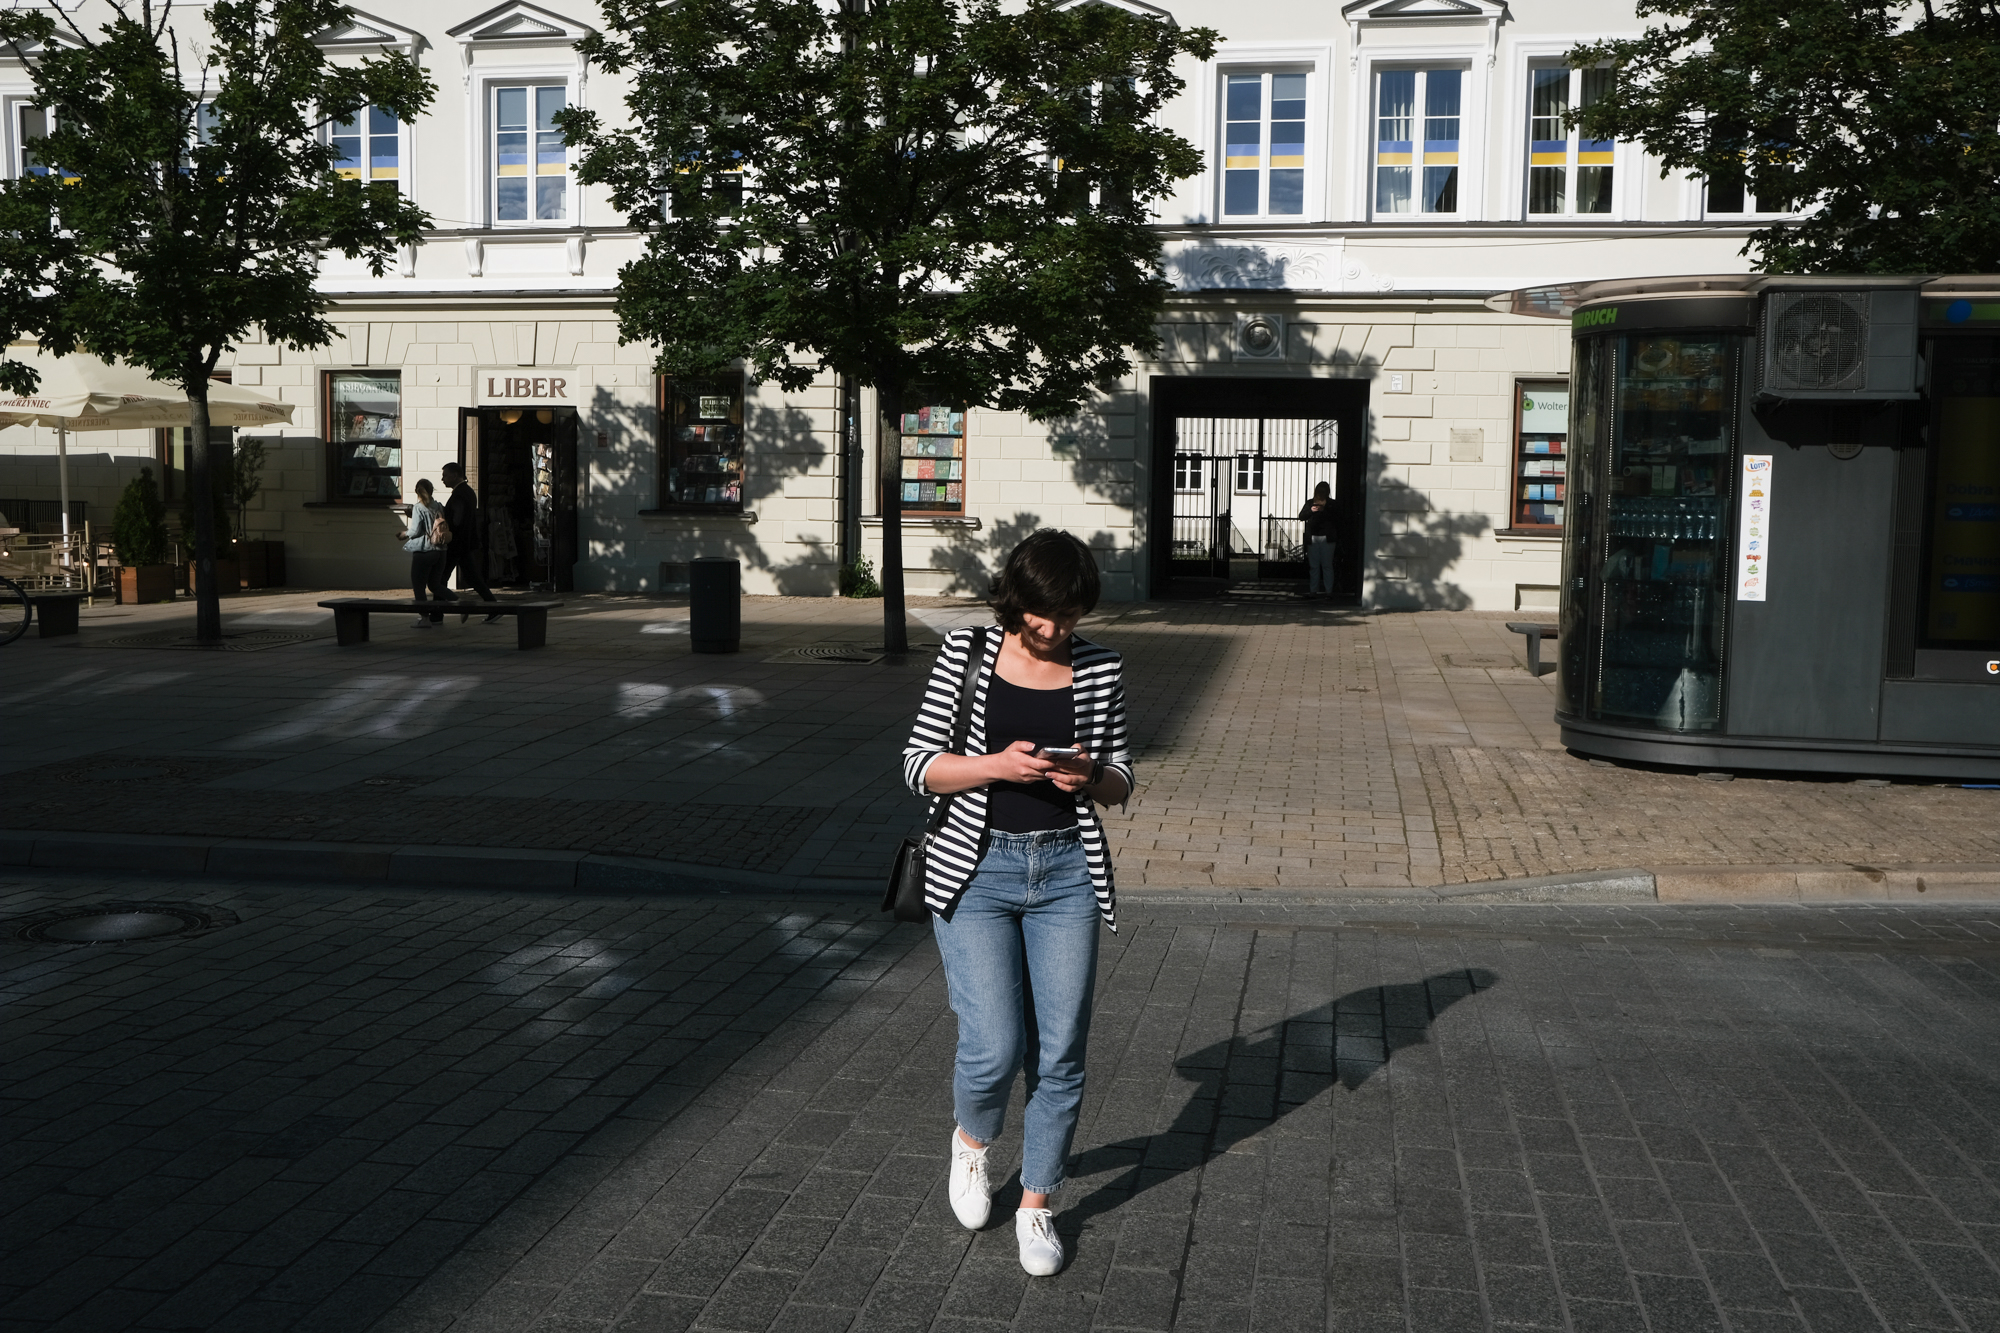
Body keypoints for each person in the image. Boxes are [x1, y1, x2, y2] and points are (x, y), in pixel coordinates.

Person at [901, 529, 1135, 1278]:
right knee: (995, 1044)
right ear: (1017, 599)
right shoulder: (965, 651)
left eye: (1068, 616)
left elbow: (1123, 778)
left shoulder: (1100, 667)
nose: (1054, 628)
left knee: (1060, 1050)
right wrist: (995, 767)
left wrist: (1089, 776)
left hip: (1066, 871)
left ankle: (1038, 1202)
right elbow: (918, 765)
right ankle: (972, 1142)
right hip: (976, 870)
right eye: (1043, 613)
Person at [440, 462, 503, 625]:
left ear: (455, 475)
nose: (442, 479)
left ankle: (436, 615)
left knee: (440, 578)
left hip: (457, 543)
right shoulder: (467, 491)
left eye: (445, 475)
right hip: (464, 543)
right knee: (472, 577)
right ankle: (493, 607)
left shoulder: (460, 494)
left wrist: (444, 522)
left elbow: (457, 520)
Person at [399, 479, 450, 628]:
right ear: (432, 490)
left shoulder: (418, 508)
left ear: (417, 492)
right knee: (435, 584)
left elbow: (415, 531)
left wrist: (403, 534)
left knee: (419, 586)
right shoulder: (439, 506)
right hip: (441, 550)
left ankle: (425, 618)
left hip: (424, 551)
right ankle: (458, 602)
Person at [1299, 480, 1337, 597]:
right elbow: (1301, 516)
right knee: (1317, 566)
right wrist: (1311, 511)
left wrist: (1324, 511)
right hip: (1315, 538)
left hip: (1326, 537)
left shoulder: (1331, 504)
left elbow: (1337, 518)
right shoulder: (1310, 503)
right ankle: (1316, 591)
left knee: (1325, 566)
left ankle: (1326, 591)